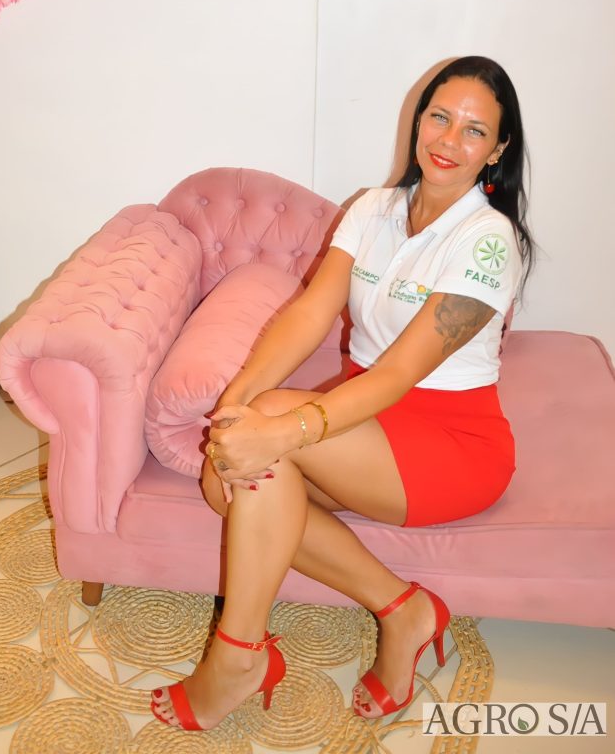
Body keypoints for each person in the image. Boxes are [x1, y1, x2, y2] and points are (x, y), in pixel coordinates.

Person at [151, 55, 533, 731]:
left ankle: (236, 657)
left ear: (497, 150)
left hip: (449, 441)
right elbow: (308, 312)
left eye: (474, 130)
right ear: (417, 121)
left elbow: (396, 376)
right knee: (227, 478)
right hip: (369, 421)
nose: (449, 140)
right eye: (439, 118)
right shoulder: (375, 208)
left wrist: (279, 425)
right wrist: (234, 407)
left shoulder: (487, 242)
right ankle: (402, 608)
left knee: (267, 435)